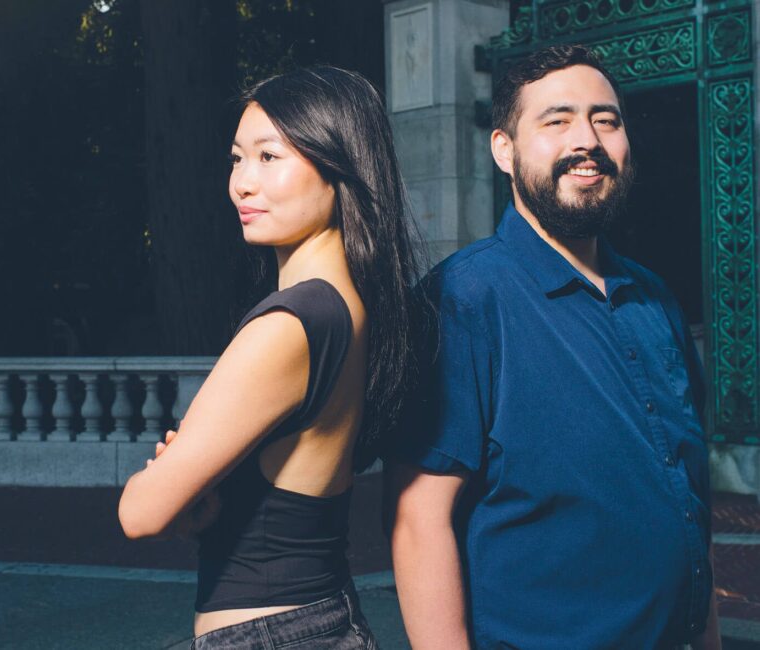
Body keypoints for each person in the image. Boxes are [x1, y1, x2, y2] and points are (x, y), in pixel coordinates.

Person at [386, 45, 720, 649]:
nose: (586, 139)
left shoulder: (654, 298)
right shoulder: (461, 300)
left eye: (606, 119)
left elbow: (687, 498)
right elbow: (419, 522)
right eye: (557, 120)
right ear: (504, 151)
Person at [118, 66, 422, 648]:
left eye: (268, 156)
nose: (241, 183)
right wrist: (212, 503)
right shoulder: (351, 307)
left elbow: (140, 513)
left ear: (340, 167)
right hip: (318, 617)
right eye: (237, 158)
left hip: (274, 632)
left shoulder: (289, 326)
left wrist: (163, 481)